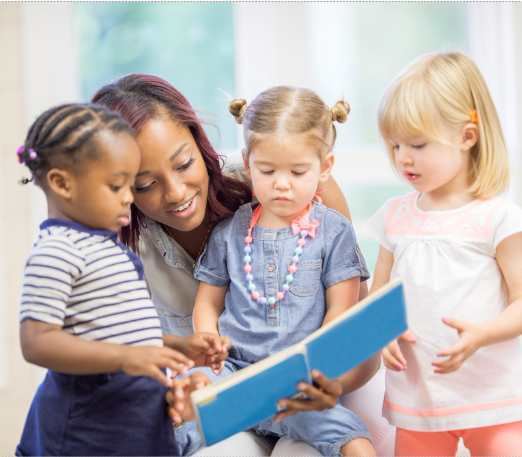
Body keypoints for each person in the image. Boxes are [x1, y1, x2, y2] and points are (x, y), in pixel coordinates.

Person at [91, 75, 393, 456]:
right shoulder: (213, 236)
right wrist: (199, 366)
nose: (176, 193)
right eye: (145, 184)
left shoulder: (314, 209)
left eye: (184, 163)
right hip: (232, 377)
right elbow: (196, 318)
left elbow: (354, 326)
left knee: (335, 441)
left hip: (310, 382)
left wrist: (321, 374)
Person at [14, 103, 229, 456]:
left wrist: (176, 346)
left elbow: (121, 335)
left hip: (138, 430)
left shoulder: (109, 248)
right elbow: (36, 342)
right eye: (118, 186)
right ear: (61, 183)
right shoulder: (57, 250)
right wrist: (125, 359)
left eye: (132, 185)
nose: (129, 198)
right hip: (83, 436)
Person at [184, 86, 376, 456]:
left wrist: (323, 368)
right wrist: (210, 348)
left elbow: (343, 309)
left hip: (297, 382)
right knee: (180, 416)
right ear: (247, 161)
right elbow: (207, 304)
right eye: (267, 170)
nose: (281, 183)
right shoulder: (229, 232)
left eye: (298, 171)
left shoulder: (334, 232)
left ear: (325, 168)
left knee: (352, 440)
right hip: (234, 375)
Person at [368, 51, 522, 456]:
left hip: (493, 395)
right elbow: (378, 297)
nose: (402, 158)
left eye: (417, 143)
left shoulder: (499, 218)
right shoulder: (394, 217)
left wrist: (482, 334)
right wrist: (381, 331)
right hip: (419, 399)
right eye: (394, 145)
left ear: (467, 136)